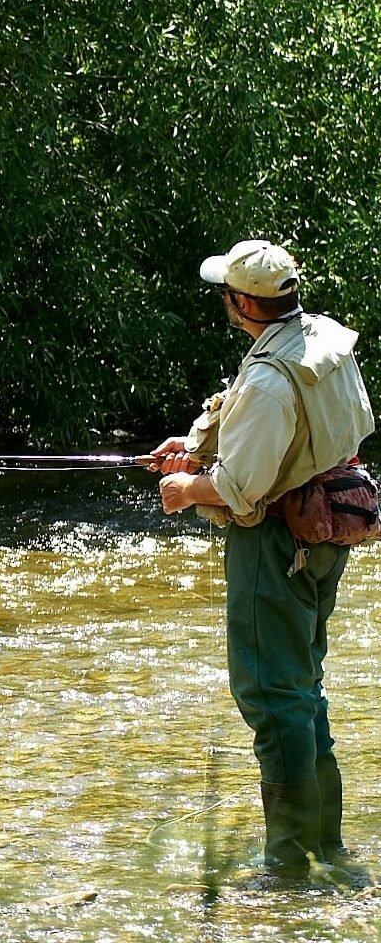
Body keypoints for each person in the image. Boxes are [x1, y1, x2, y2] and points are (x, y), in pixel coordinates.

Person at [151, 239, 374, 883]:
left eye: (227, 292)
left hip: (275, 547)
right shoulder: (320, 341)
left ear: (244, 302)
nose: (225, 300)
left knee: (273, 696)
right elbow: (296, 428)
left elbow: (239, 490)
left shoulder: (272, 378)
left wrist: (184, 489)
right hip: (326, 536)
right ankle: (325, 845)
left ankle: (287, 863)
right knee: (304, 687)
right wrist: (196, 448)